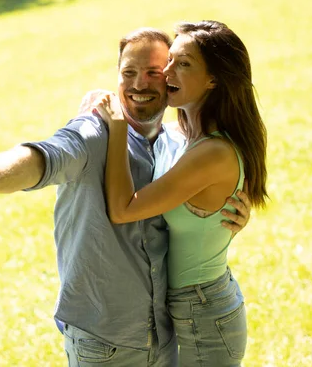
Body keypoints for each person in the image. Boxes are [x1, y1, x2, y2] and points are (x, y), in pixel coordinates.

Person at [0, 27, 252, 366]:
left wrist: (224, 217)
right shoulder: (92, 132)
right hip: (106, 344)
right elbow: (41, 158)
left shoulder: (178, 141)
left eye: (154, 71)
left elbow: (213, 182)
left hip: (165, 335)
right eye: (128, 72)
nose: (138, 84)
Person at [94, 20, 267, 366]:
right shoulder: (182, 136)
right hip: (187, 305)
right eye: (169, 60)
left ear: (213, 80)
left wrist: (117, 128)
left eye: (183, 64)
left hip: (205, 310)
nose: (166, 72)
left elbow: (123, 209)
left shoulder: (212, 153)